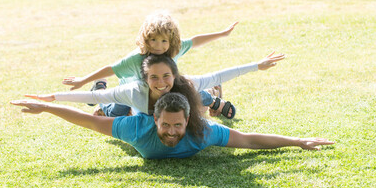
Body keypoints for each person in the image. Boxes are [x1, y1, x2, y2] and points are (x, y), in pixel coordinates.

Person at [11, 93, 334, 159]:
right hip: (124, 113)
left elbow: (249, 141)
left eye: (177, 126)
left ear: (188, 121)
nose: (171, 131)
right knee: (100, 113)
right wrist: (47, 107)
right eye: (166, 125)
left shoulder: (203, 130)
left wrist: (297, 141)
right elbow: (83, 122)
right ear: (155, 120)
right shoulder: (135, 128)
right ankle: (102, 92)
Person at [61, 11, 240, 118]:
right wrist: (82, 80)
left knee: (186, 94)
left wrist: (222, 34)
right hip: (133, 93)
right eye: (153, 40)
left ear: (171, 39)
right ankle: (100, 89)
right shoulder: (136, 58)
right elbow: (111, 69)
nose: (158, 46)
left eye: (163, 40)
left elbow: (195, 40)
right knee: (115, 113)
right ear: (145, 39)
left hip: (164, 89)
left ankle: (213, 97)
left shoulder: (175, 48)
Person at [25, 53, 284, 119]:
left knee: (196, 96)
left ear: (175, 74)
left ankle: (213, 100)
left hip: (180, 100)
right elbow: (93, 97)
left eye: (166, 76)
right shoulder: (134, 90)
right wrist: (52, 98)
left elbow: (220, 74)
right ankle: (98, 87)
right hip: (127, 104)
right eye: (154, 78)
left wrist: (256, 66)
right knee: (107, 107)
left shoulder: (185, 83)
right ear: (145, 79)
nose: (161, 83)